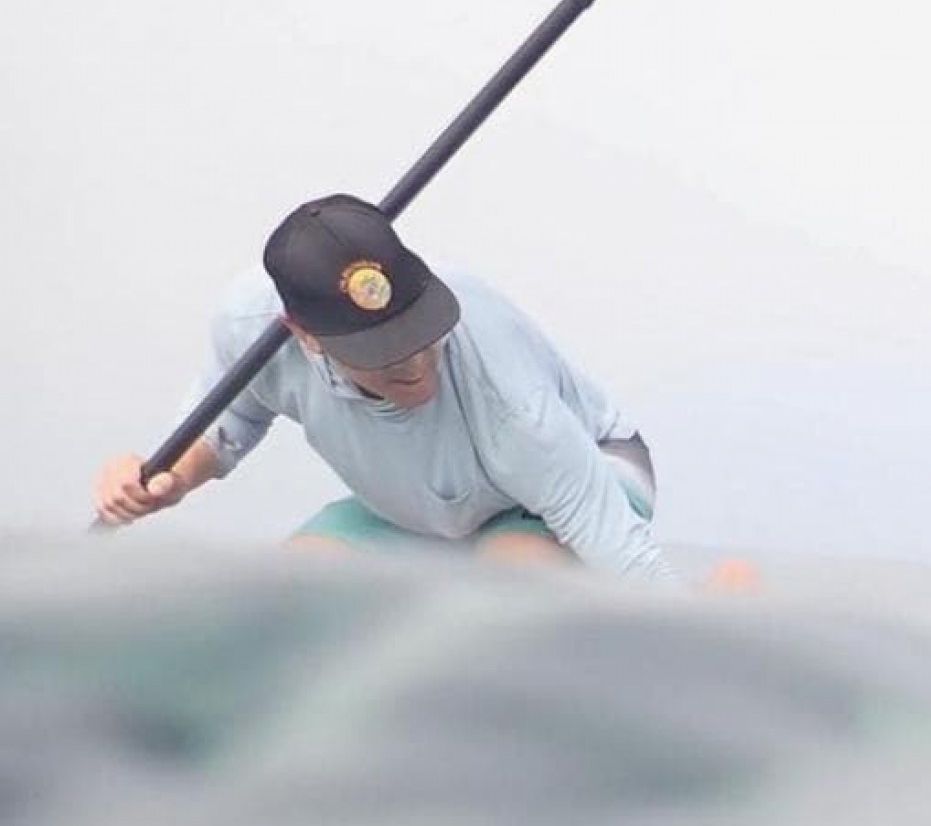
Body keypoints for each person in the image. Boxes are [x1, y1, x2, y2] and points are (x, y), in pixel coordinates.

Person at [92, 194, 675, 582]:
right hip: (420, 510)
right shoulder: (250, 327)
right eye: (379, 353)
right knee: (293, 600)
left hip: (580, 479)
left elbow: (612, 543)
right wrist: (158, 481)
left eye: (423, 333)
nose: (416, 364)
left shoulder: (506, 394)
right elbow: (225, 428)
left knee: (496, 595)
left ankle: (724, 596)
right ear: (303, 335)